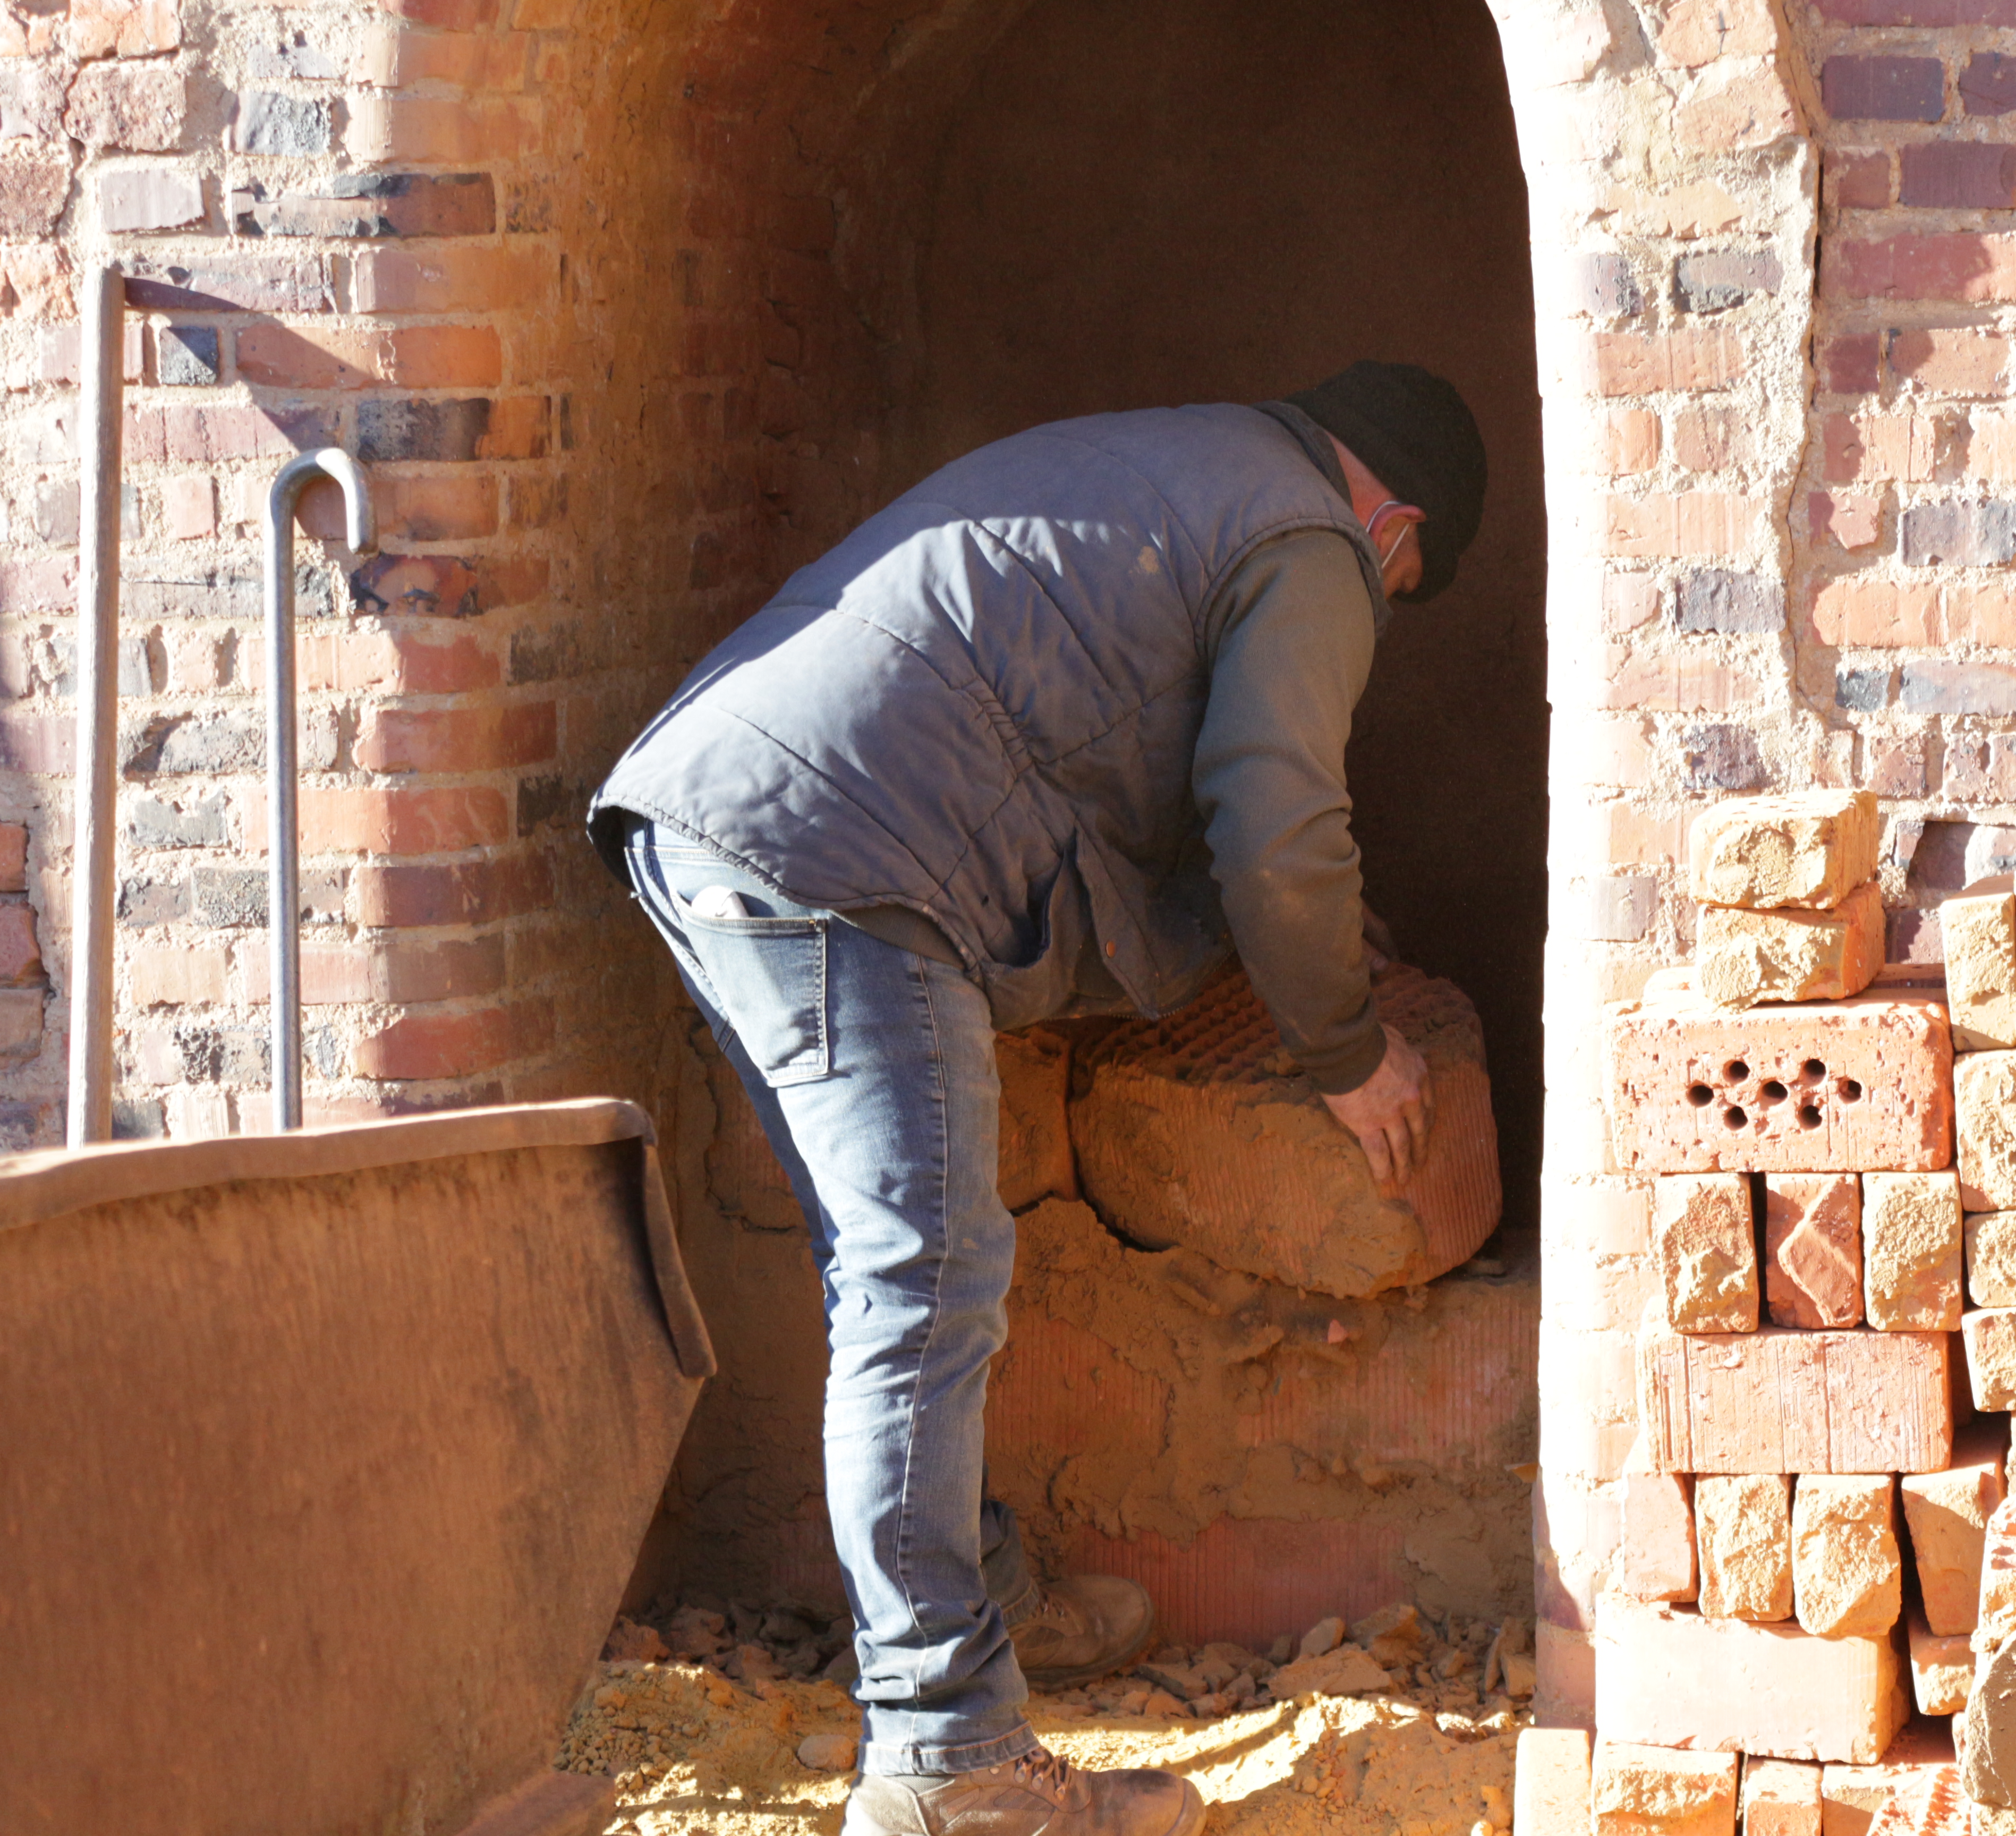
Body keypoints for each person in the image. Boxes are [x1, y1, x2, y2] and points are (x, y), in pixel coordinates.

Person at [587, 361, 1486, 1836]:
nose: (1381, 611)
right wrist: (1347, 1046)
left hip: (722, 820)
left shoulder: (1188, 466)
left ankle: (978, 1608)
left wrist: (1303, 941)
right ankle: (950, 1764)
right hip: (841, 856)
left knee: (891, 1274)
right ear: (1397, 533)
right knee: (920, 1280)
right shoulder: (1316, 540)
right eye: (1405, 589)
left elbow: (1136, 779)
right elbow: (1271, 815)